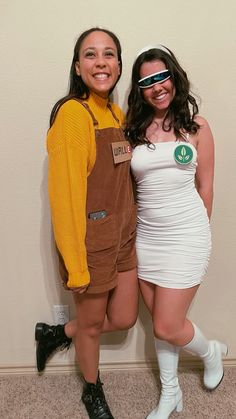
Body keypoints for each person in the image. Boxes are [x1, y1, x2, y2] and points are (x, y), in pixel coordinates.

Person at [35, 27, 138, 419]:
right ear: (78, 67)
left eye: (109, 54)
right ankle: (92, 391)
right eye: (91, 55)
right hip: (91, 244)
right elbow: (64, 198)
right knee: (92, 326)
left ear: (118, 64)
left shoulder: (115, 113)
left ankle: (56, 334)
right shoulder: (73, 116)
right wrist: (76, 266)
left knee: (125, 318)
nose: (101, 62)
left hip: (123, 239)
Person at [125, 45, 228, 419]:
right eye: (147, 81)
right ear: (140, 89)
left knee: (169, 323)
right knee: (159, 323)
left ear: (174, 76)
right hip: (147, 238)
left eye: (162, 76)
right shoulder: (133, 131)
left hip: (186, 236)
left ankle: (209, 351)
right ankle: (172, 395)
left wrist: (199, 232)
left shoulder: (197, 127)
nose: (157, 86)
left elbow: (207, 187)